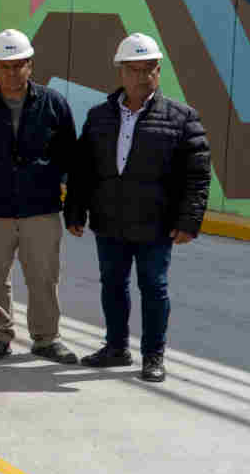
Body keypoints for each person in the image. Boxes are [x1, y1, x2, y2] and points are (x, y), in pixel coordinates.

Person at [65, 33, 210, 383]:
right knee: (112, 286)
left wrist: (189, 220)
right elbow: (83, 168)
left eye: (150, 70)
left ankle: (153, 355)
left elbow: (198, 173)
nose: (142, 77)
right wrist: (75, 210)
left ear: (158, 73)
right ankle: (116, 347)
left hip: (155, 225)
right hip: (110, 221)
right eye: (135, 69)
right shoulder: (99, 116)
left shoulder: (181, 117)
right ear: (121, 72)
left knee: (154, 288)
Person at [0, 28, 79, 364]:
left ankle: (46, 338)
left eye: (20, 64)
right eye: (5, 66)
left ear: (31, 65)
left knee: (43, 278)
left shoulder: (53, 103)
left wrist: (73, 209)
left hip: (40, 209)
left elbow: (70, 159)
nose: (13, 72)